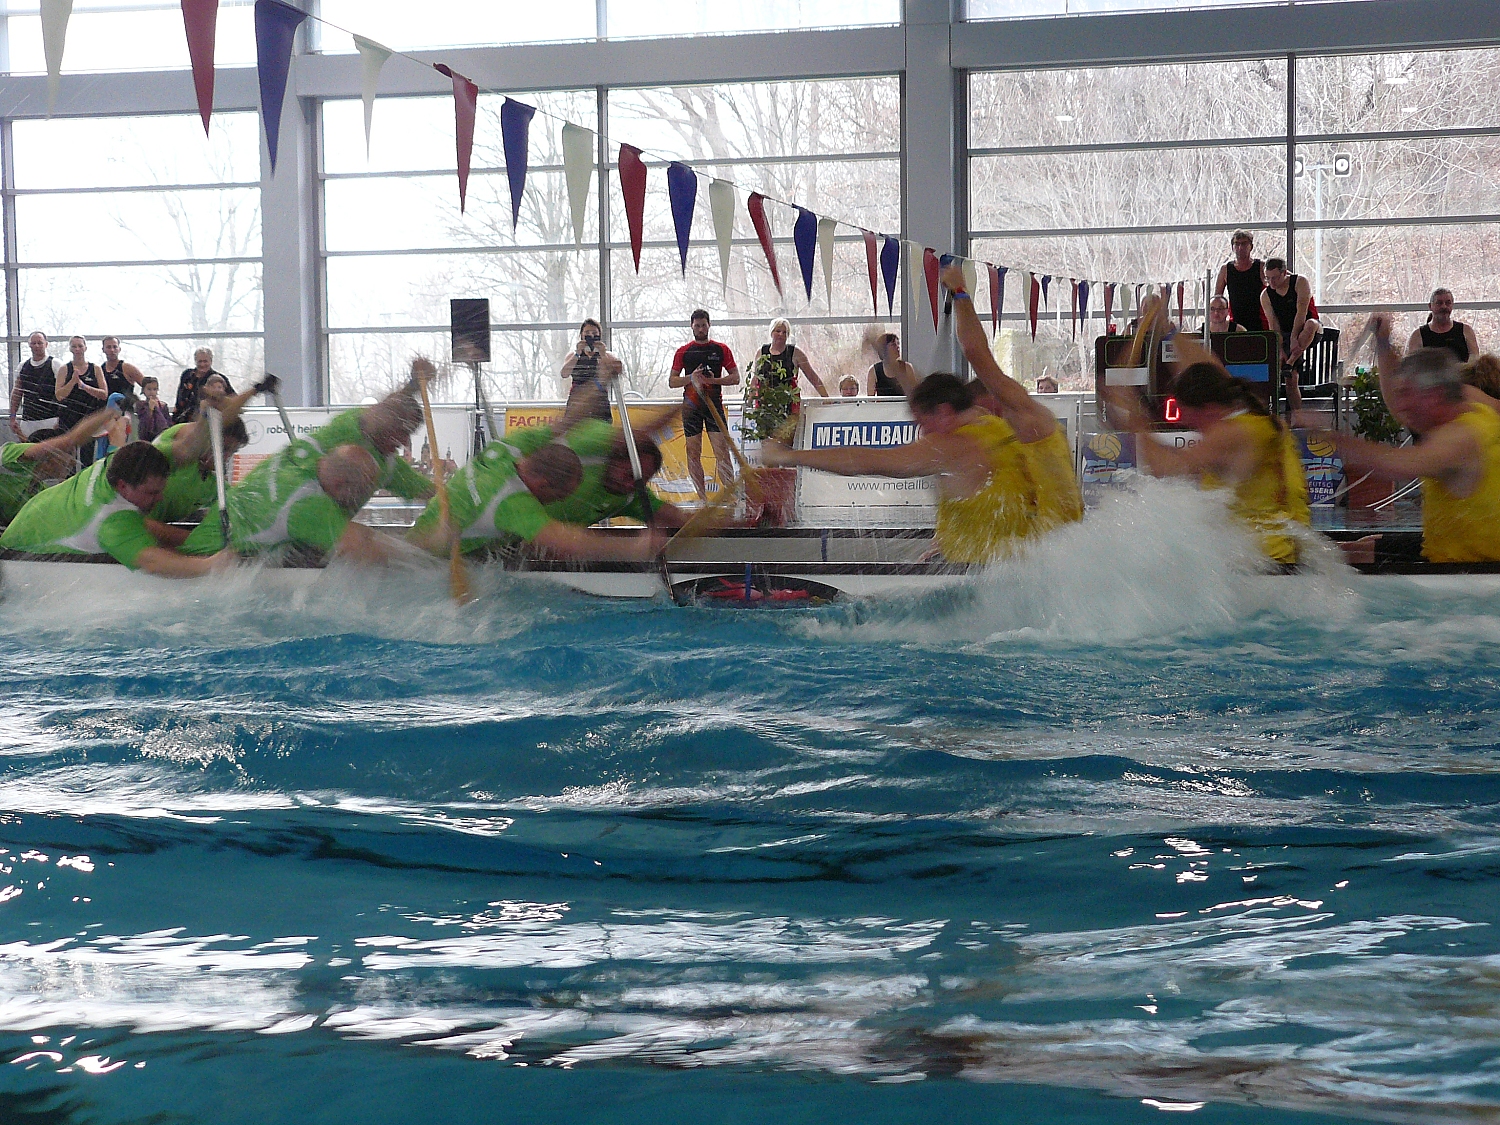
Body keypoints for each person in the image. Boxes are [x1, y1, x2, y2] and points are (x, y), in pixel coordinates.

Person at [1113, 300, 1311, 566]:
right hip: (1278, 558)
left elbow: (1165, 469)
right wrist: (1168, 331)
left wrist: (1135, 422)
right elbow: (1206, 366)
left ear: (1208, 409)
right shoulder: (1250, 410)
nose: (1193, 428)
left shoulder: (1231, 435)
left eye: (1192, 420)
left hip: (1264, 566)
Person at [180, 361, 435, 562]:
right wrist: (431, 564)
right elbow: (362, 544)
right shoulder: (312, 495)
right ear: (341, 483)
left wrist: (412, 387)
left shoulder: (381, 460)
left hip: (240, 542)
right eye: (402, 433)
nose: (404, 442)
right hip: (210, 554)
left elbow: (431, 493)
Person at [1300, 315, 1500, 563]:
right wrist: (1384, 344)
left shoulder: (1463, 436)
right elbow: (1397, 399)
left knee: (1353, 555)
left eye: (1408, 395)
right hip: (1449, 552)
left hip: (1476, 573)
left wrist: (1329, 437)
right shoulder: (1460, 405)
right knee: (1354, 550)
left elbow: (1399, 465)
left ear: (1434, 395)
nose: (1401, 407)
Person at [409, 418, 689, 563]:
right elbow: (566, 543)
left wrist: (601, 379)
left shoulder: (509, 449)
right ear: (543, 486)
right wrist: (636, 548)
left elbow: (570, 419)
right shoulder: (513, 503)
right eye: (557, 498)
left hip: (428, 542)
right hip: (426, 562)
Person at [0, 439, 233, 577]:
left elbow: (146, 527)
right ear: (123, 486)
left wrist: (194, 542)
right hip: (17, 560)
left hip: (28, 523)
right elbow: (152, 562)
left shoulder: (114, 463)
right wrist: (211, 564)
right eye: (152, 493)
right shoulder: (110, 521)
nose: (160, 498)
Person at [0, 406, 119, 525]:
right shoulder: (10, 456)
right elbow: (71, 440)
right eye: (70, 455)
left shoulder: (40, 493)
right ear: (51, 454)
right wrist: (112, 411)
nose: (73, 462)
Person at [668, 309, 739, 503]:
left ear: (709, 325)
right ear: (692, 326)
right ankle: (702, 498)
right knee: (693, 452)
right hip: (691, 406)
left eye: (703, 325)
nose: (700, 329)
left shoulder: (721, 349)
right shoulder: (683, 351)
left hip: (713, 404)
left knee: (721, 450)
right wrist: (692, 378)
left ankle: (731, 495)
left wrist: (713, 381)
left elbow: (735, 377)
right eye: (697, 325)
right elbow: (672, 381)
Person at [1259, 258, 1321, 412]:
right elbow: (1274, 325)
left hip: (1309, 330)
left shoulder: (1300, 282)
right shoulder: (1266, 295)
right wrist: (1280, 349)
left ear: (1284, 273)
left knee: (1311, 324)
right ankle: (1296, 416)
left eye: (1275, 278)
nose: (1271, 282)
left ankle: (1291, 361)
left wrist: (1294, 338)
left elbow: (1301, 313)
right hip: (1285, 334)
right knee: (1290, 379)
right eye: (1268, 278)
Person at [749, 319, 830, 414]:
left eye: (785, 332)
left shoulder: (796, 353)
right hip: (765, 404)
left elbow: (812, 376)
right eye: (778, 331)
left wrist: (826, 398)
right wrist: (749, 400)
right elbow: (755, 379)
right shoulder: (761, 352)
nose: (781, 334)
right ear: (771, 332)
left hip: (789, 404)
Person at [559, 319, 623, 424]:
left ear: (599, 336)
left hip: (600, 405)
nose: (591, 336)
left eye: (594, 333)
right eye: (587, 333)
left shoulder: (608, 356)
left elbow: (616, 371)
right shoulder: (573, 355)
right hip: (577, 404)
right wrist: (578, 353)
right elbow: (564, 374)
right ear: (581, 335)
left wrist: (603, 354)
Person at [54, 337, 109, 453]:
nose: (77, 349)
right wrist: (73, 381)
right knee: (68, 455)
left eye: (80, 346)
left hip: (88, 417)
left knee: (87, 455)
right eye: (74, 346)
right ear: (70, 349)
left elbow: (104, 394)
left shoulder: (95, 368)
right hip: (68, 418)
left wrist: (84, 386)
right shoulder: (64, 369)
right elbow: (59, 396)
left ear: (85, 348)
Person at [8, 331, 63, 439]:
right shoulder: (22, 366)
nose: (36, 346)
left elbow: (65, 394)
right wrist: (12, 417)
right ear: (29, 345)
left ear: (46, 344)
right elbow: (17, 393)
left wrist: (63, 419)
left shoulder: (56, 364)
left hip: (51, 419)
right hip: (28, 421)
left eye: (40, 343)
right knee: (28, 449)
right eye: (33, 343)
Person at [1407, 288, 1479, 364]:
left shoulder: (1466, 331)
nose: (1444, 307)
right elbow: (1412, 366)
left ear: (1452, 305)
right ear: (1430, 306)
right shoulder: (1418, 336)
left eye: (1448, 303)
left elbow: (1475, 362)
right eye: (1439, 303)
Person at [1214, 231, 1265, 333]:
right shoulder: (1226, 269)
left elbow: (1281, 277)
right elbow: (1217, 298)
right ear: (1232, 247)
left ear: (1251, 246)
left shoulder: (1260, 266)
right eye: (1237, 244)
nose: (1240, 247)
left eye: (1244, 244)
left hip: (1259, 321)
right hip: (1235, 321)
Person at [172, 347, 233, 424]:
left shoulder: (219, 378)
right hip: (181, 421)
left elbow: (232, 399)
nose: (202, 364)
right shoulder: (187, 375)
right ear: (195, 361)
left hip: (206, 422)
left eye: (205, 361)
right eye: (199, 361)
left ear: (211, 361)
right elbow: (179, 399)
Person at [865, 332, 911, 397]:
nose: (897, 347)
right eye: (893, 345)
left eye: (898, 344)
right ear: (884, 349)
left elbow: (914, 394)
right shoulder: (873, 370)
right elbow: (870, 398)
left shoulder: (907, 367)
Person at [136, 377, 173, 442]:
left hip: (161, 435)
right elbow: (144, 423)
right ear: (143, 390)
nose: (152, 392)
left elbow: (167, 422)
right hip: (147, 437)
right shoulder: (141, 405)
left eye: (154, 389)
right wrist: (151, 409)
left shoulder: (163, 406)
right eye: (149, 389)